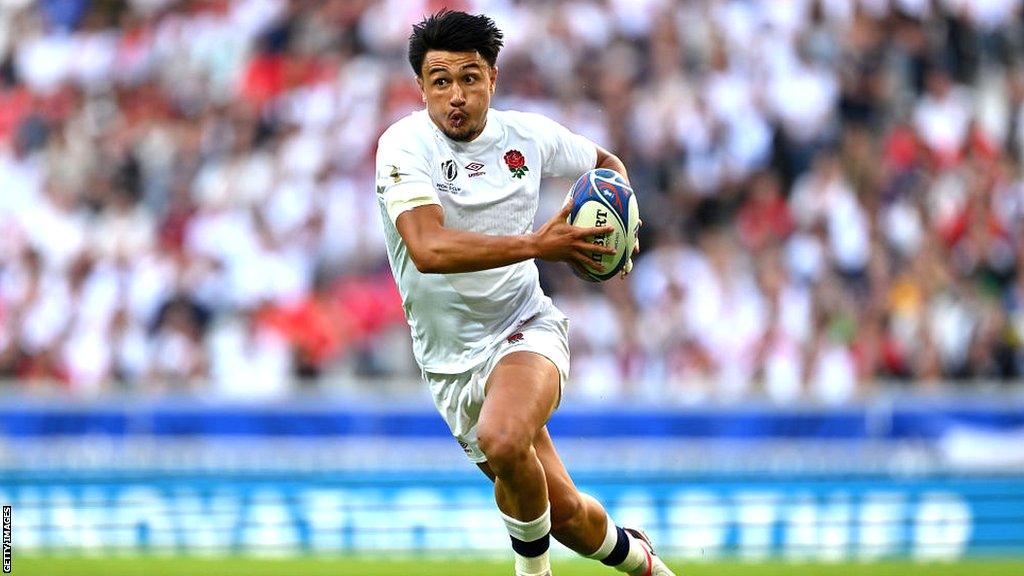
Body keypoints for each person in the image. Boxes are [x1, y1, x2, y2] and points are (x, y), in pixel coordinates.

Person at [375, 10, 675, 576]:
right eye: (441, 82)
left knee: (504, 434)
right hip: (447, 363)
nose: (456, 95)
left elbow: (607, 166)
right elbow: (428, 249)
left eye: (470, 77)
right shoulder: (403, 146)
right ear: (421, 89)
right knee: (564, 515)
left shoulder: (529, 137)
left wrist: (620, 228)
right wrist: (538, 243)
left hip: (524, 327)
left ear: (493, 78)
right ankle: (647, 565)